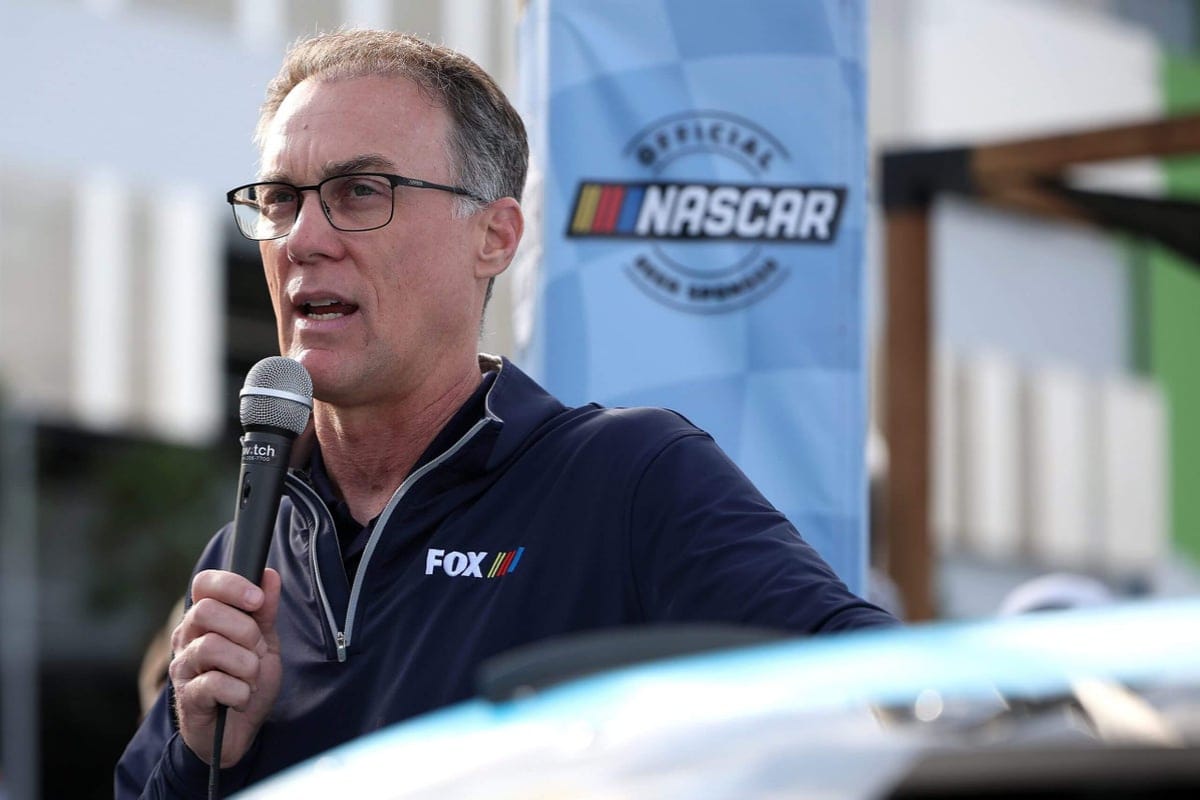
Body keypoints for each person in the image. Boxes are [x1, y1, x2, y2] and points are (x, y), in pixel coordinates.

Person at [116, 28, 897, 797]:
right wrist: (200, 754)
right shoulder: (244, 552)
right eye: (280, 199)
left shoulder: (629, 479)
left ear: (494, 236)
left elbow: (883, 694)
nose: (304, 239)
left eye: (361, 191)